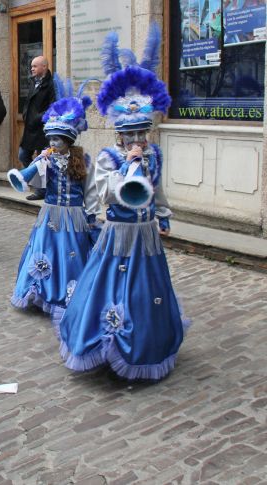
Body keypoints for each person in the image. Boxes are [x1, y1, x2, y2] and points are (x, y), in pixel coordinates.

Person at [54, 26, 189, 381]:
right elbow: (108, 193)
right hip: (118, 233)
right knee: (110, 285)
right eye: (131, 134)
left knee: (150, 289)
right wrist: (129, 164)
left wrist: (162, 214)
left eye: (142, 133)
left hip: (145, 233)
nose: (138, 140)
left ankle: (149, 342)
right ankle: (104, 342)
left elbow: (157, 189)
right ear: (119, 133)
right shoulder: (108, 158)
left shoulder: (154, 154)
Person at [8, 76, 99, 315]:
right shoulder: (46, 161)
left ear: (68, 141)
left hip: (74, 215)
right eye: (50, 139)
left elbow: (89, 189)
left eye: (57, 139)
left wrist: (91, 214)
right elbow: (36, 185)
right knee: (47, 251)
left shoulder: (82, 159)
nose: (53, 143)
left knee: (72, 254)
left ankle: (71, 294)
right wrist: (39, 164)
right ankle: (42, 291)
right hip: (51, 214)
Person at [19, 56, 55, 200]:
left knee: (42, 160)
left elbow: (53, 106)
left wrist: (39, 117)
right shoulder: (34, 82)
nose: (32, 69)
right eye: (31, 66)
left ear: (44, 67)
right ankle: (38, 184)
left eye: (35, 66)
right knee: (23, 155)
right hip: (30, 128)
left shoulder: (51, 84)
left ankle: (41, 191)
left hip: (42, 129)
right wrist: (26, 115)